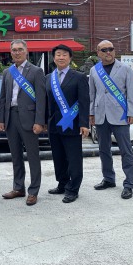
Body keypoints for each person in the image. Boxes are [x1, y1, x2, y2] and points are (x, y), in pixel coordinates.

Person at [0, 39, 46, 206]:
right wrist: (2, 119)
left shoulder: (36, 71)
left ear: (26, 51)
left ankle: (33, 191)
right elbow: (3, 98)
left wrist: (39, 121)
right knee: (16, 155)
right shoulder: (7, 72)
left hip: (29, 119)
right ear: (10, 52)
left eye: (20, 49)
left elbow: (41, 99)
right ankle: (18, 187)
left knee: (33, 156)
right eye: (14, 50)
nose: (17, 52)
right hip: (11, 117)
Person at [89, 40, 133, 200]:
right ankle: (108, 178)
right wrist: (91, 113)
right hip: (100, 115)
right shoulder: (94, 70)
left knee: (126, 150)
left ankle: (129, 184)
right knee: (103, 149)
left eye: (111, 49)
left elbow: (131, 93)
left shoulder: (125, 69)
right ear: (98, 53)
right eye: (104, 50)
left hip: (120, 115)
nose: (108, 52)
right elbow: (92, 94)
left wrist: (132, 112)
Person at [45, 44, 90, 204]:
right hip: (54, 125)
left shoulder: (79, 77)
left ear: (70, 58)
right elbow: (46, 102)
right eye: (58, 54)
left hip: (72, 124)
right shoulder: (48, 78)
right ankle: (62, 184)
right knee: (58, 157)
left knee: (73, 158)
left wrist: (84, 124)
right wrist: (43, 121)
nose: (61, 57)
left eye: (64, 54)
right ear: (54, 58)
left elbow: (84, 102)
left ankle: (73, 189)